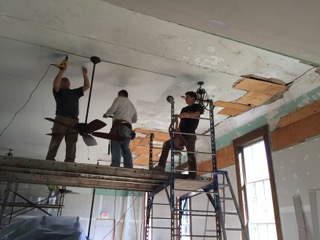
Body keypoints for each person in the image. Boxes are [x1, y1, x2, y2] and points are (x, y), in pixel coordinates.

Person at [46, 63, 90, 162]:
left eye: (67, 81)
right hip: (62, 118)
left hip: (74, 120)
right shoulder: (59, 92)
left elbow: (87, 86)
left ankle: (70, 160)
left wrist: (85, 74)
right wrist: (62, 71)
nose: (65, 82)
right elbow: (55, 85)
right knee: (56, 139)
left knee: (72, 141)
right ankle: (50, 159)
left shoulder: (75, 92)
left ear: (70, 84)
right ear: (61, 84)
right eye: (63, 81)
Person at [154, 91, 204, 179]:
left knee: (190, 154)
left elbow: (197, 115)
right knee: (166, 144)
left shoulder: (197, 106)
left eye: (188, 97)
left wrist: (186, 115)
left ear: (193, 98)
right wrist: (177, 129)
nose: (186, 98)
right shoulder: (184, 109)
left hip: (190, 134)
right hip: (182, 134)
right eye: (186, 97)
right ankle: (161, 166)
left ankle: (192, 174)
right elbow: (181, 121)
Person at [103, 90, 137, 168]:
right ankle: (128, 166)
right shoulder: (132, 106)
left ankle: (115, 165)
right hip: (128, 129)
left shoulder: (119, 99)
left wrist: (106, 115)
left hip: (118, 127)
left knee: (116, 146)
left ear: (121, 94)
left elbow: (112, 109)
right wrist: (126, 118)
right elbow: (134, 120)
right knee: (126, 148)